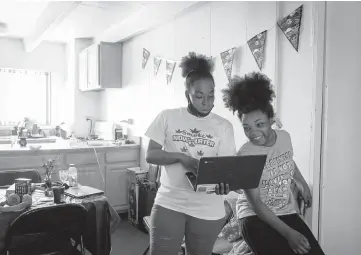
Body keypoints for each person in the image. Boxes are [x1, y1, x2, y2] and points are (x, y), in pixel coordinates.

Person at [222, 72, 325, 255]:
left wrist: (302, 185)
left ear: (271, 120)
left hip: (285, 211)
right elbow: (256, 205)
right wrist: (289, 234)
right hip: (254, 217)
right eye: (247, 128)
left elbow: (288, 160)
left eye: (260, 124)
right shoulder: (246, 155)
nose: (253, 133)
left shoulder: (284, 137)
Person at [145, 52, 236, 255]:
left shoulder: (224, 126)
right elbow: (151, 155)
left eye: (211, 95)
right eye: (199, 96)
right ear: (187, 94)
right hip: (170, 201)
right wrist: (182, 158)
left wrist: (225, 184)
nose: (206, 101)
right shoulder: (168, 117)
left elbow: (226, 168)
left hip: (208, 208)